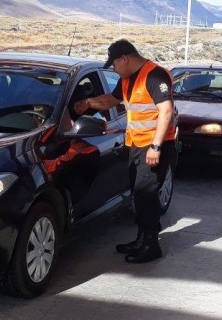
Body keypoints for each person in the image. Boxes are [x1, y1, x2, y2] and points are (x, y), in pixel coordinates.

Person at [73, 39, 177, 264]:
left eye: (115, 64)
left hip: (154, 146)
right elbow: (111, 100)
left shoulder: (154, 75)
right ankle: (142, 239)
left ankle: (151, 246)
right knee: (138, 194)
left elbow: (166, 111)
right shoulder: (128, 78)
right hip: (136, 145)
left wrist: (156, 146)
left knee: (146, 195)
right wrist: (88, 103)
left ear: (125, 59)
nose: (113, 68)